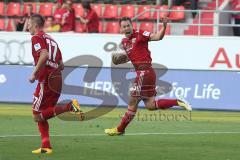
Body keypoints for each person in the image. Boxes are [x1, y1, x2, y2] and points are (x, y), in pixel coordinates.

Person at [104, 17, 192, 136]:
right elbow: (131, 56)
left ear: (132, 25)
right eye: (124, 26)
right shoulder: (124, 43)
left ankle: (120, 129)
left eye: (128, 25)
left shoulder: (140, 34)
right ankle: (177, 101)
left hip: (144, 73)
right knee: (150, 105)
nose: (126, 28)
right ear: (121, 29)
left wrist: (164, 26)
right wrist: (120, 59)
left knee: (133, 100)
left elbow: (157, 37)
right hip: (147, 74)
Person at [28, 14, 83, 154]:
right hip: (57, 77)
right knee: (42, 113)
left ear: (35, 25)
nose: (27, 26)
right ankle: (46, 146)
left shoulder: (36, 37)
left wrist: (34, 73)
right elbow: (62, 64)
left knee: (36, 115)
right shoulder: (51, 39)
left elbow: (44, 54)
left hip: (46, 78)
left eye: (29, 24)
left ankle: (69, 106)